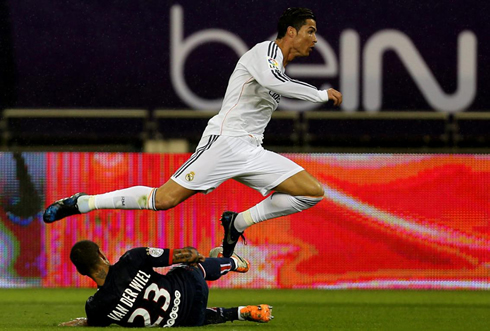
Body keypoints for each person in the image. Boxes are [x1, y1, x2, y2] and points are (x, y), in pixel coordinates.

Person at [43, 7, 343, 258]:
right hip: (224, 143)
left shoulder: (279, 66)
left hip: (252, 150)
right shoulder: (262, 52)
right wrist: (320, 94)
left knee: (311, 192)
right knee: (163, 199)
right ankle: (83, 202)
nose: (315, 39)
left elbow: (278, 80)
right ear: (291, 31)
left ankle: (238, 223)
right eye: (310, 31)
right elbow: (273, 80)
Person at [59, 240, 273, 327]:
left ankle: (239, 312)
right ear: (101, 254)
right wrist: (197, 257)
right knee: (190, 268)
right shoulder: (132, 259)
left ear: (80, 271)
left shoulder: (96, 307)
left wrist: (81, 320)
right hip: (192, 287)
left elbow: (92, 322)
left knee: (181, 315)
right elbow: (187, 255)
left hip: (187, 320)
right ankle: (234, 262)